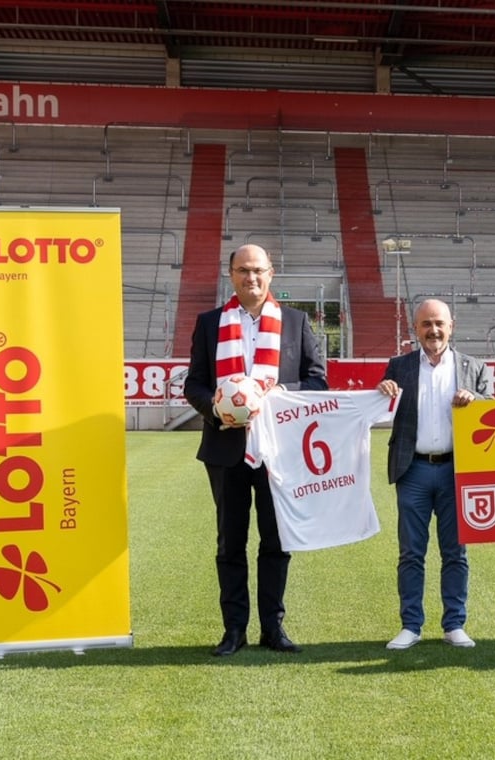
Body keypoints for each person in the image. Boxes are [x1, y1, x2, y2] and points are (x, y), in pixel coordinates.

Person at [184, 243, 327, 656]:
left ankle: (272, 628)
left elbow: (317, 381)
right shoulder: (210, 323)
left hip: (278, 452)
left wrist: (279, 393)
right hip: (225, 449)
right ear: (230, 274)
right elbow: (193, 383)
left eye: (259, 270)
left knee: (276, 541)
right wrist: (215, 408)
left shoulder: (296, 323)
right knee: (230, 543)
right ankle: (234, 630)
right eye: (243, 270)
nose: (252, 277)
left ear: (271, 273)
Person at [377, 299, 491, 650]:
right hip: (412, 471)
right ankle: (411, 626)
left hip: (457, 471)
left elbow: (493, 406)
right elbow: (380, 405)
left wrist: (475, 399)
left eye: (439, 323)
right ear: (416, 328)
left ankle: (454, 624)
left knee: (455, 552)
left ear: (451, 326)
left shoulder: (473, 367)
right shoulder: (399, 366)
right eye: (426, 324)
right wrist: (383, 390)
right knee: (411, 553)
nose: (433, 330)